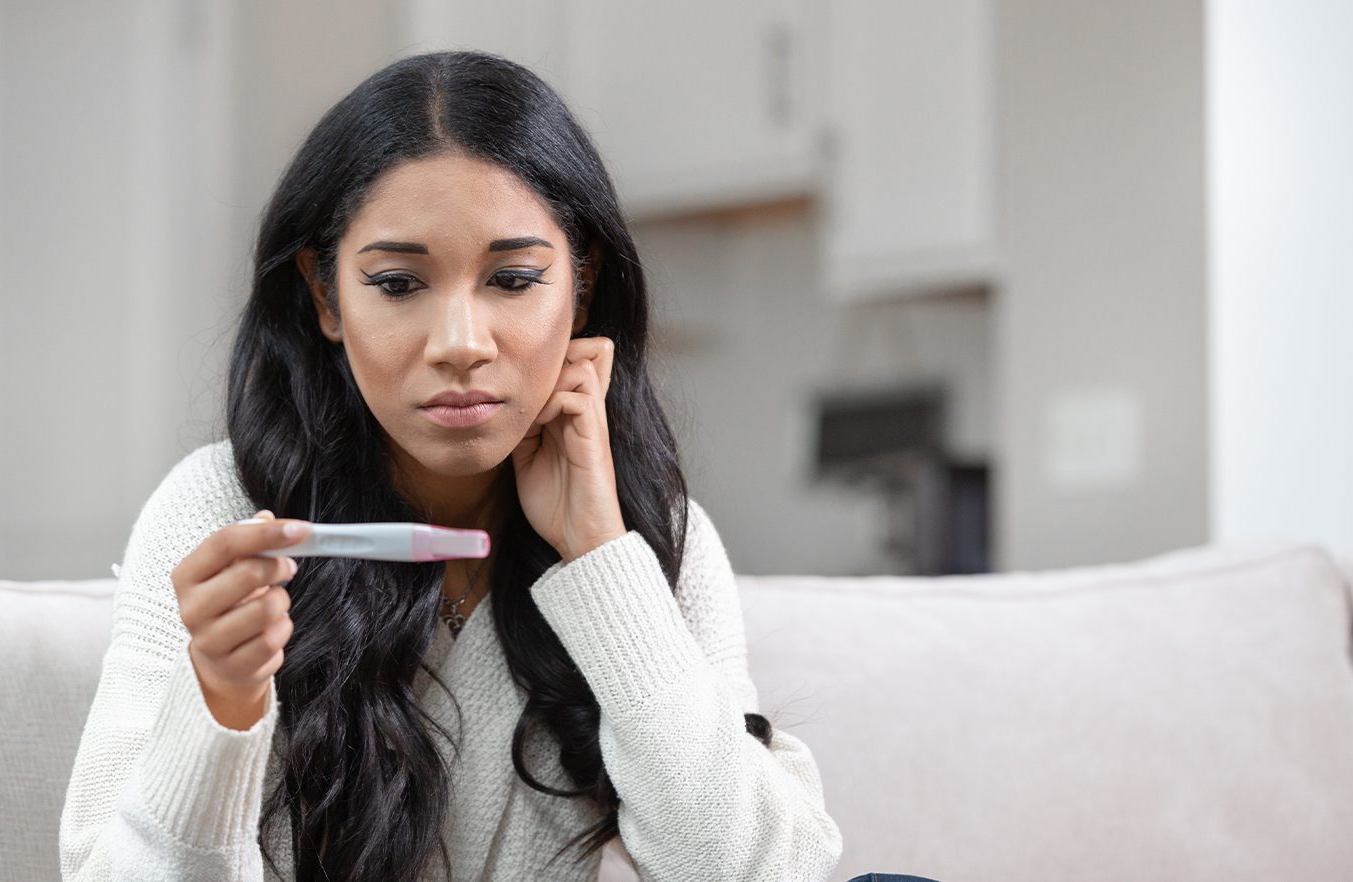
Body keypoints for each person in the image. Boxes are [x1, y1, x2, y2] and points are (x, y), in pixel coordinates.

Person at [59, 49, 845, 882]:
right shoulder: (220, 510)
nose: (462, 344)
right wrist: (217, 702)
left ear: (580, 288)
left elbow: (761, 872)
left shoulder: (651, 533)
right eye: (398, 284)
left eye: (513, 279)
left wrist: (605, 564)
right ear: (326, 298)